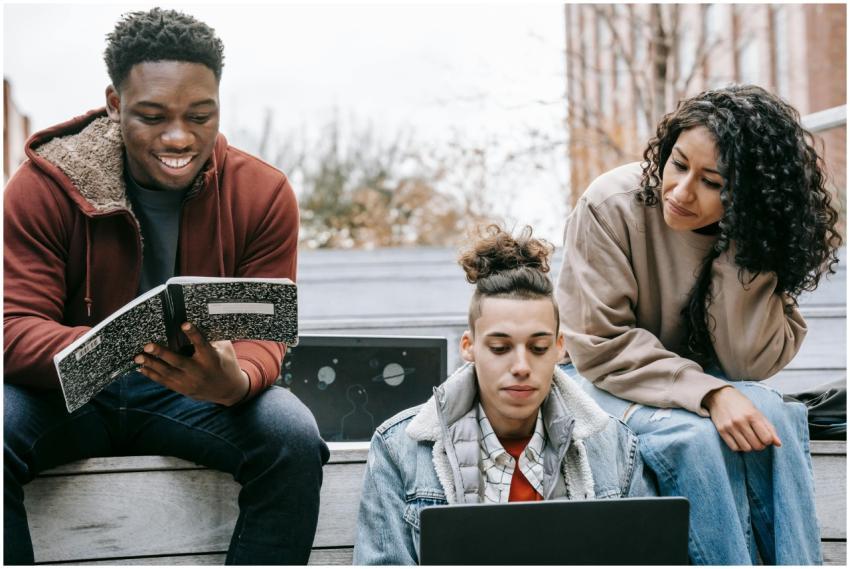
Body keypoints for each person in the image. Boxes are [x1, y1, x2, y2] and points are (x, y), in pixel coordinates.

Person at [4, 8, 329, 565]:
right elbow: (13, 331)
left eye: (201, 115)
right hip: (68, 397)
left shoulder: (264, 194)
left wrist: (235, 380)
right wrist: (112, 348)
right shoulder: (43, 187)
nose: (179, 136)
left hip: (196, 395)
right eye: (152, 116)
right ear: (114, 104)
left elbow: (267, 328)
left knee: (292, 435)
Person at [556, 84, 842, 565]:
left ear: (750, 196)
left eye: (714, 182)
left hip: (701, 382)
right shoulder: (611, 204)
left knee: (776, 415)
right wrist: (710, 393)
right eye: (679, 164)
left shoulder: (754, 233)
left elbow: (747, 362)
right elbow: (601, 345)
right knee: (696, 440)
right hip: (602, 379)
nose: (682, 192)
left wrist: (739, 253)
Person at [353, 225, 654, 565]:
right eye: (500, 348)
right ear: (469, 348)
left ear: (559, 349)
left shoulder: (614, 446)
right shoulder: (400, 448)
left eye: (538, 348)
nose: (521, 366)